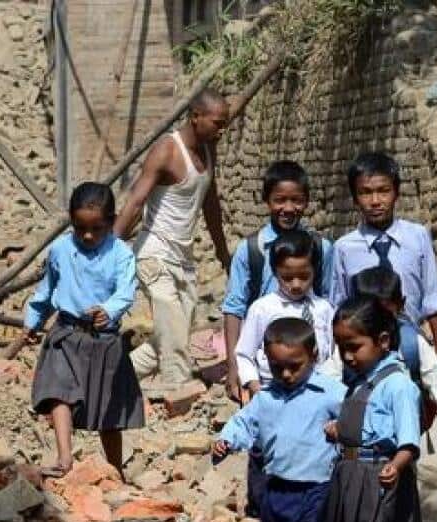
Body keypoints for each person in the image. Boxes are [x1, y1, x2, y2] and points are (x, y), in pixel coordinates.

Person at [212, 317, 345, 522]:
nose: (285, 374)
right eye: (276, 367)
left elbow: (355, 418)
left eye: (294, 366)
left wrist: (343, 428)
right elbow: (243, 423)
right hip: (279, 487)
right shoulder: (266, 399)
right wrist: (226, 441)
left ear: (314, 355)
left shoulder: (331, 392)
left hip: (320, 486)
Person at [316, 296, 422, 522]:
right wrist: (339, 430)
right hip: (348, 476)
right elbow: (361, 426)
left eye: (354, 346)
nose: (347, 355)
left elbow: (409, 439)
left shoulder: (398, 385)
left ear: (383, 341)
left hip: (380, 477)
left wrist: (397, 464)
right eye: (341, 347)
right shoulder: (361, 382)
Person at [24, 183, 144, 478]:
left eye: (96, 229)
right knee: (58, 393)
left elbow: (126, 291)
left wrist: (109, 310)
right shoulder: (61, 250)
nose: (87, 236)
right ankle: (64, 459)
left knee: (109, 413)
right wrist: (34, 321)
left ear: (111, 221)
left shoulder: (120, 254)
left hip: (103, 342)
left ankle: (116, 470)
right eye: (80, 228)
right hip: (66, 333)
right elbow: (47, 289)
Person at [115, 89, 232, 392]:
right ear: (196, 117)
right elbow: (136, 200)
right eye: (218, 123)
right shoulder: (167, 150)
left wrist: (223, 253)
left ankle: (114, 378)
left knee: (173, 334)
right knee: (174, 331)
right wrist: (110, 250)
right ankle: (179, 392)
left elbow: (211, 206)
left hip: (183, 256)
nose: (223, 130)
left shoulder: (208, 151)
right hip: (154, 252)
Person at [221, 161, 335, 402]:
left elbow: (329, 301)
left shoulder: (321, 249)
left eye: (297, 200)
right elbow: (234, 308)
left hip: (313, 374)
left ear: (307, 201)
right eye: (279, 200)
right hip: (265, 376)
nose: (288, 208)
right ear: (266, 200)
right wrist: (234, 368)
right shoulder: (251, 250)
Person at [328, 152, 437, 362]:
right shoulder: (343, 248)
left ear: (397, 192)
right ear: (355, 198)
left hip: (410, 345)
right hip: (364, 355)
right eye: (365, 193)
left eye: (383, 191)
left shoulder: (417, 237)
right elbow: (338, 305)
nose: (375, 201)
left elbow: (432, 298)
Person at [351, 266, 437, 449]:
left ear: (400, 305)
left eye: (384, 314)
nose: (377, 322)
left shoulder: (410, 342)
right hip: (360, 436)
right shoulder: (347, 345)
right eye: (369, 315)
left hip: (404, 434)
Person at [234, 228, 338, 402]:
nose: (296, 284)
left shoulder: (324, 309)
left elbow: (334, 353)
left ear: (315, 270)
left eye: (304, 276)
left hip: (317, 392)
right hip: (273, 392)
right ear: (275, 272)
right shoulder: (262, 309)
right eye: (287, 278)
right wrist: (255, 387)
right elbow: (245, 354)